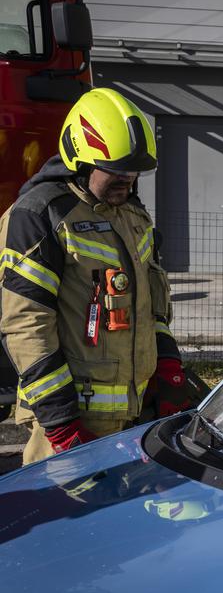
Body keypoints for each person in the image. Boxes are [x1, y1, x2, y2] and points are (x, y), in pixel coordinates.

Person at [0, 88, 189, 465]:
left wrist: (167, 369)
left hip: (136, 420)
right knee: (66, 521)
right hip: (70, 428)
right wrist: (62, 425)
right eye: (116, 172)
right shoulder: (41, 216)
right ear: (80, 162)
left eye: (135, 173)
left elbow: (153, 307)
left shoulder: (132, 216)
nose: (128, 182)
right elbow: (26, 326)